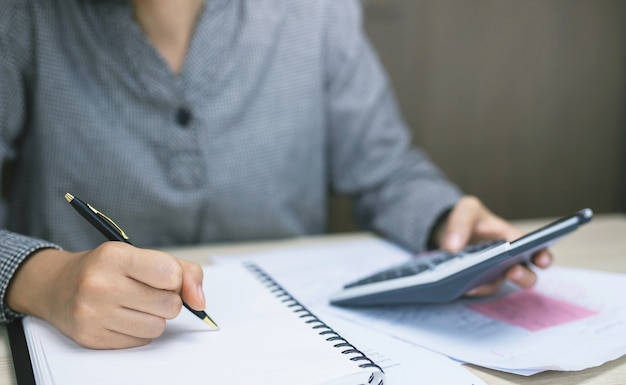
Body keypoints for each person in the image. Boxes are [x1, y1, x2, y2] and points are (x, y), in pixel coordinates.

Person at [0, 0, 551, 349]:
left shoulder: (316, 13)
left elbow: (386, 171)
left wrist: (445, 220)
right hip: (79, 351)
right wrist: (43, 280)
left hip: (289, 339)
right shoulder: (23, 18)